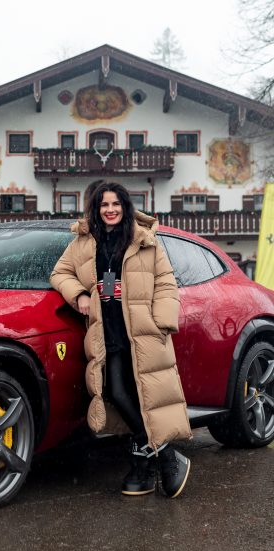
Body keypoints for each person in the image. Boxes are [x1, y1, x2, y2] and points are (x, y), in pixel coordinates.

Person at [50, 181, 192, 497]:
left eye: (116, 204)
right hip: (108, 330)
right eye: (104, 205)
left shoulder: (144, 240)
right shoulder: (83, 242)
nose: (110, 210)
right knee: (115, 391)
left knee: (142, 395)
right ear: (96, 209)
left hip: (141, 332)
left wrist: (163, 322)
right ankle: (166, 454)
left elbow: (167, 283)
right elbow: (60, 273)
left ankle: (143, 467)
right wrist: (80, 294)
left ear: (125, 207)